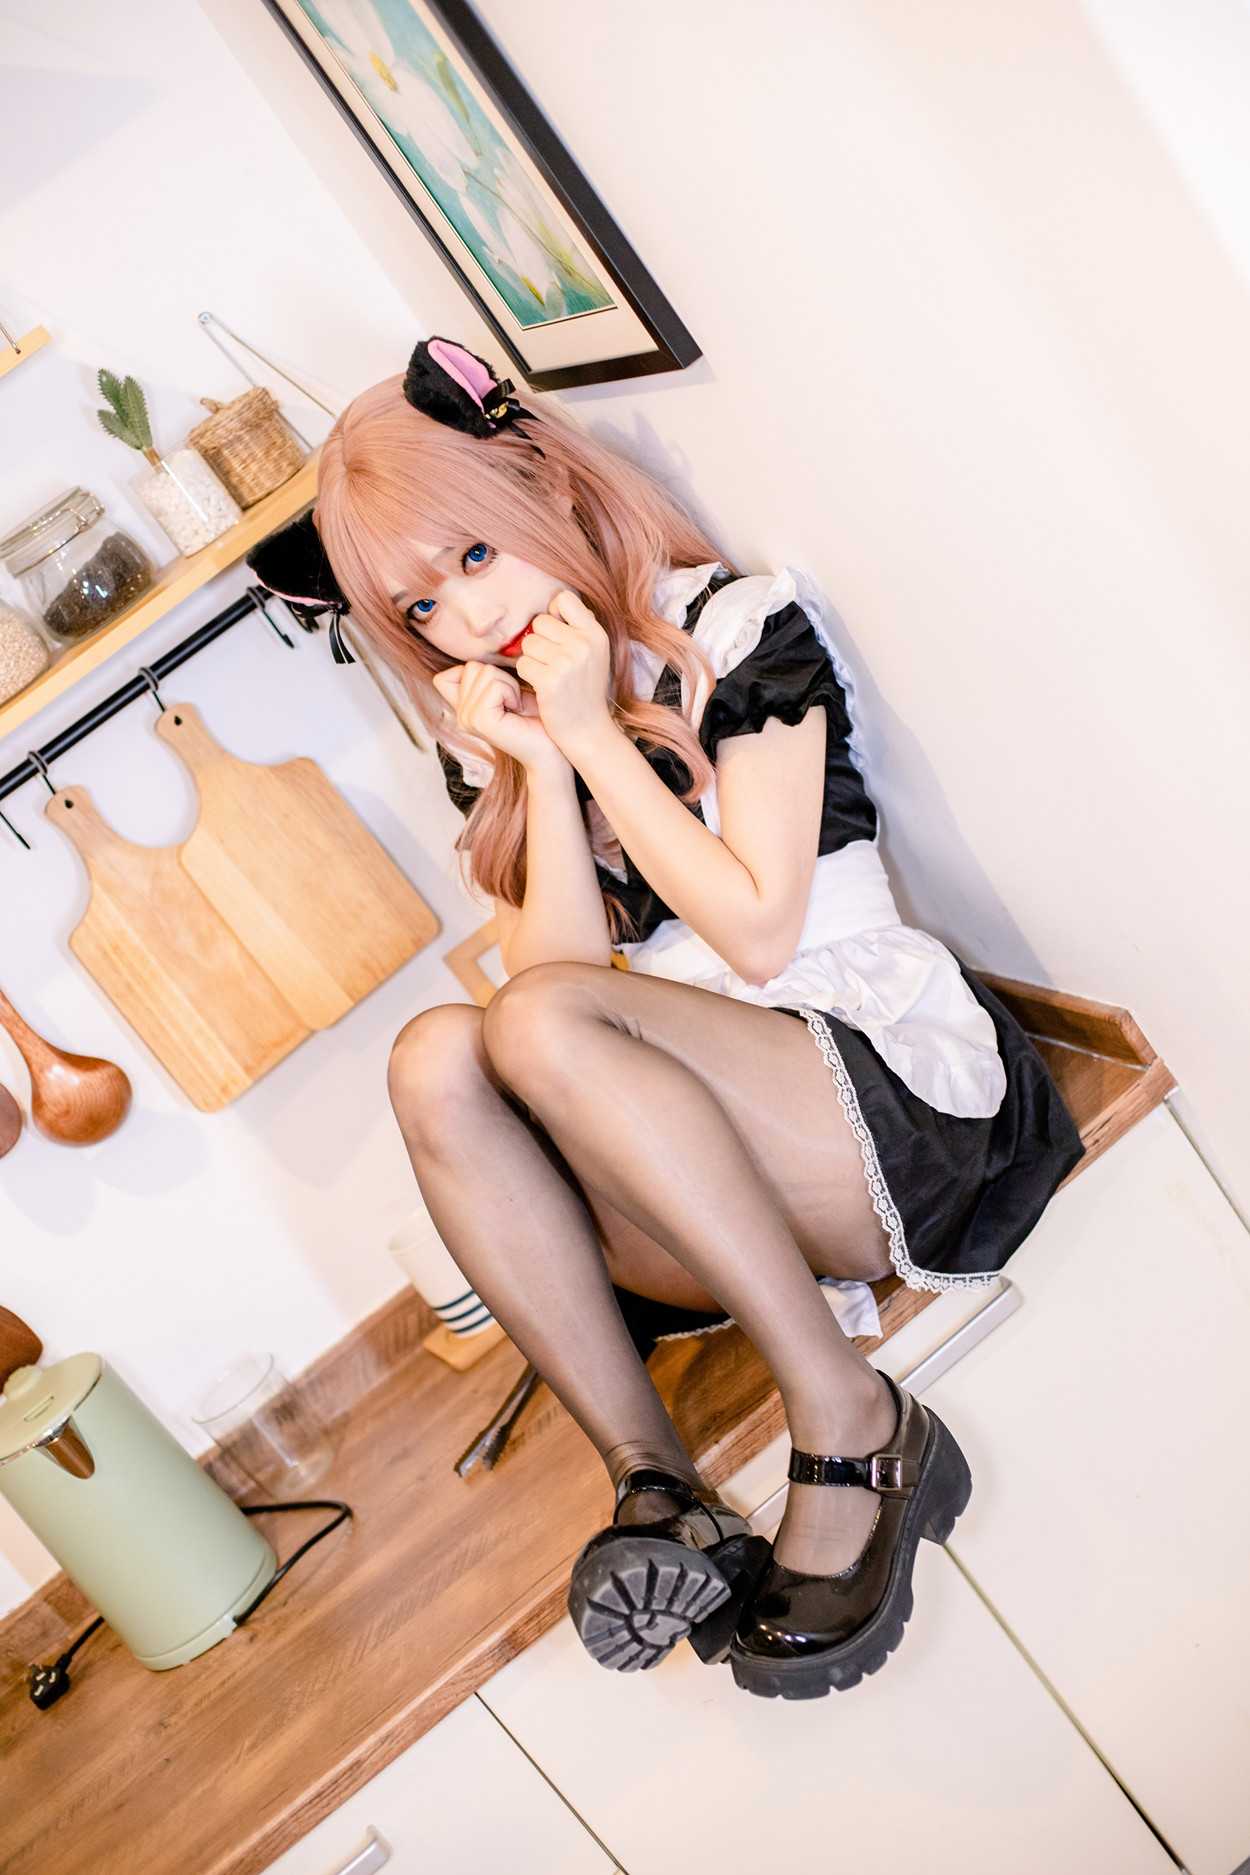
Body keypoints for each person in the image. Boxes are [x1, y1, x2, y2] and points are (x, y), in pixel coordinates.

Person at [250, 335, 1085, 1701]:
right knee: (438, 1052)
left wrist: (593, 735)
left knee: (527, 1023)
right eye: (422, 607)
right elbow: (547, 991)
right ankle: (654, 1483)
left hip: (875, 1110)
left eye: (475, 555)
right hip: (699, 1187)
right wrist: (536, 763)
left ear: (540, 484)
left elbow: (757, 929)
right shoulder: (514, 724)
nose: (469, 619)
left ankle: (851, 1413)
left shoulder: (734, 626)